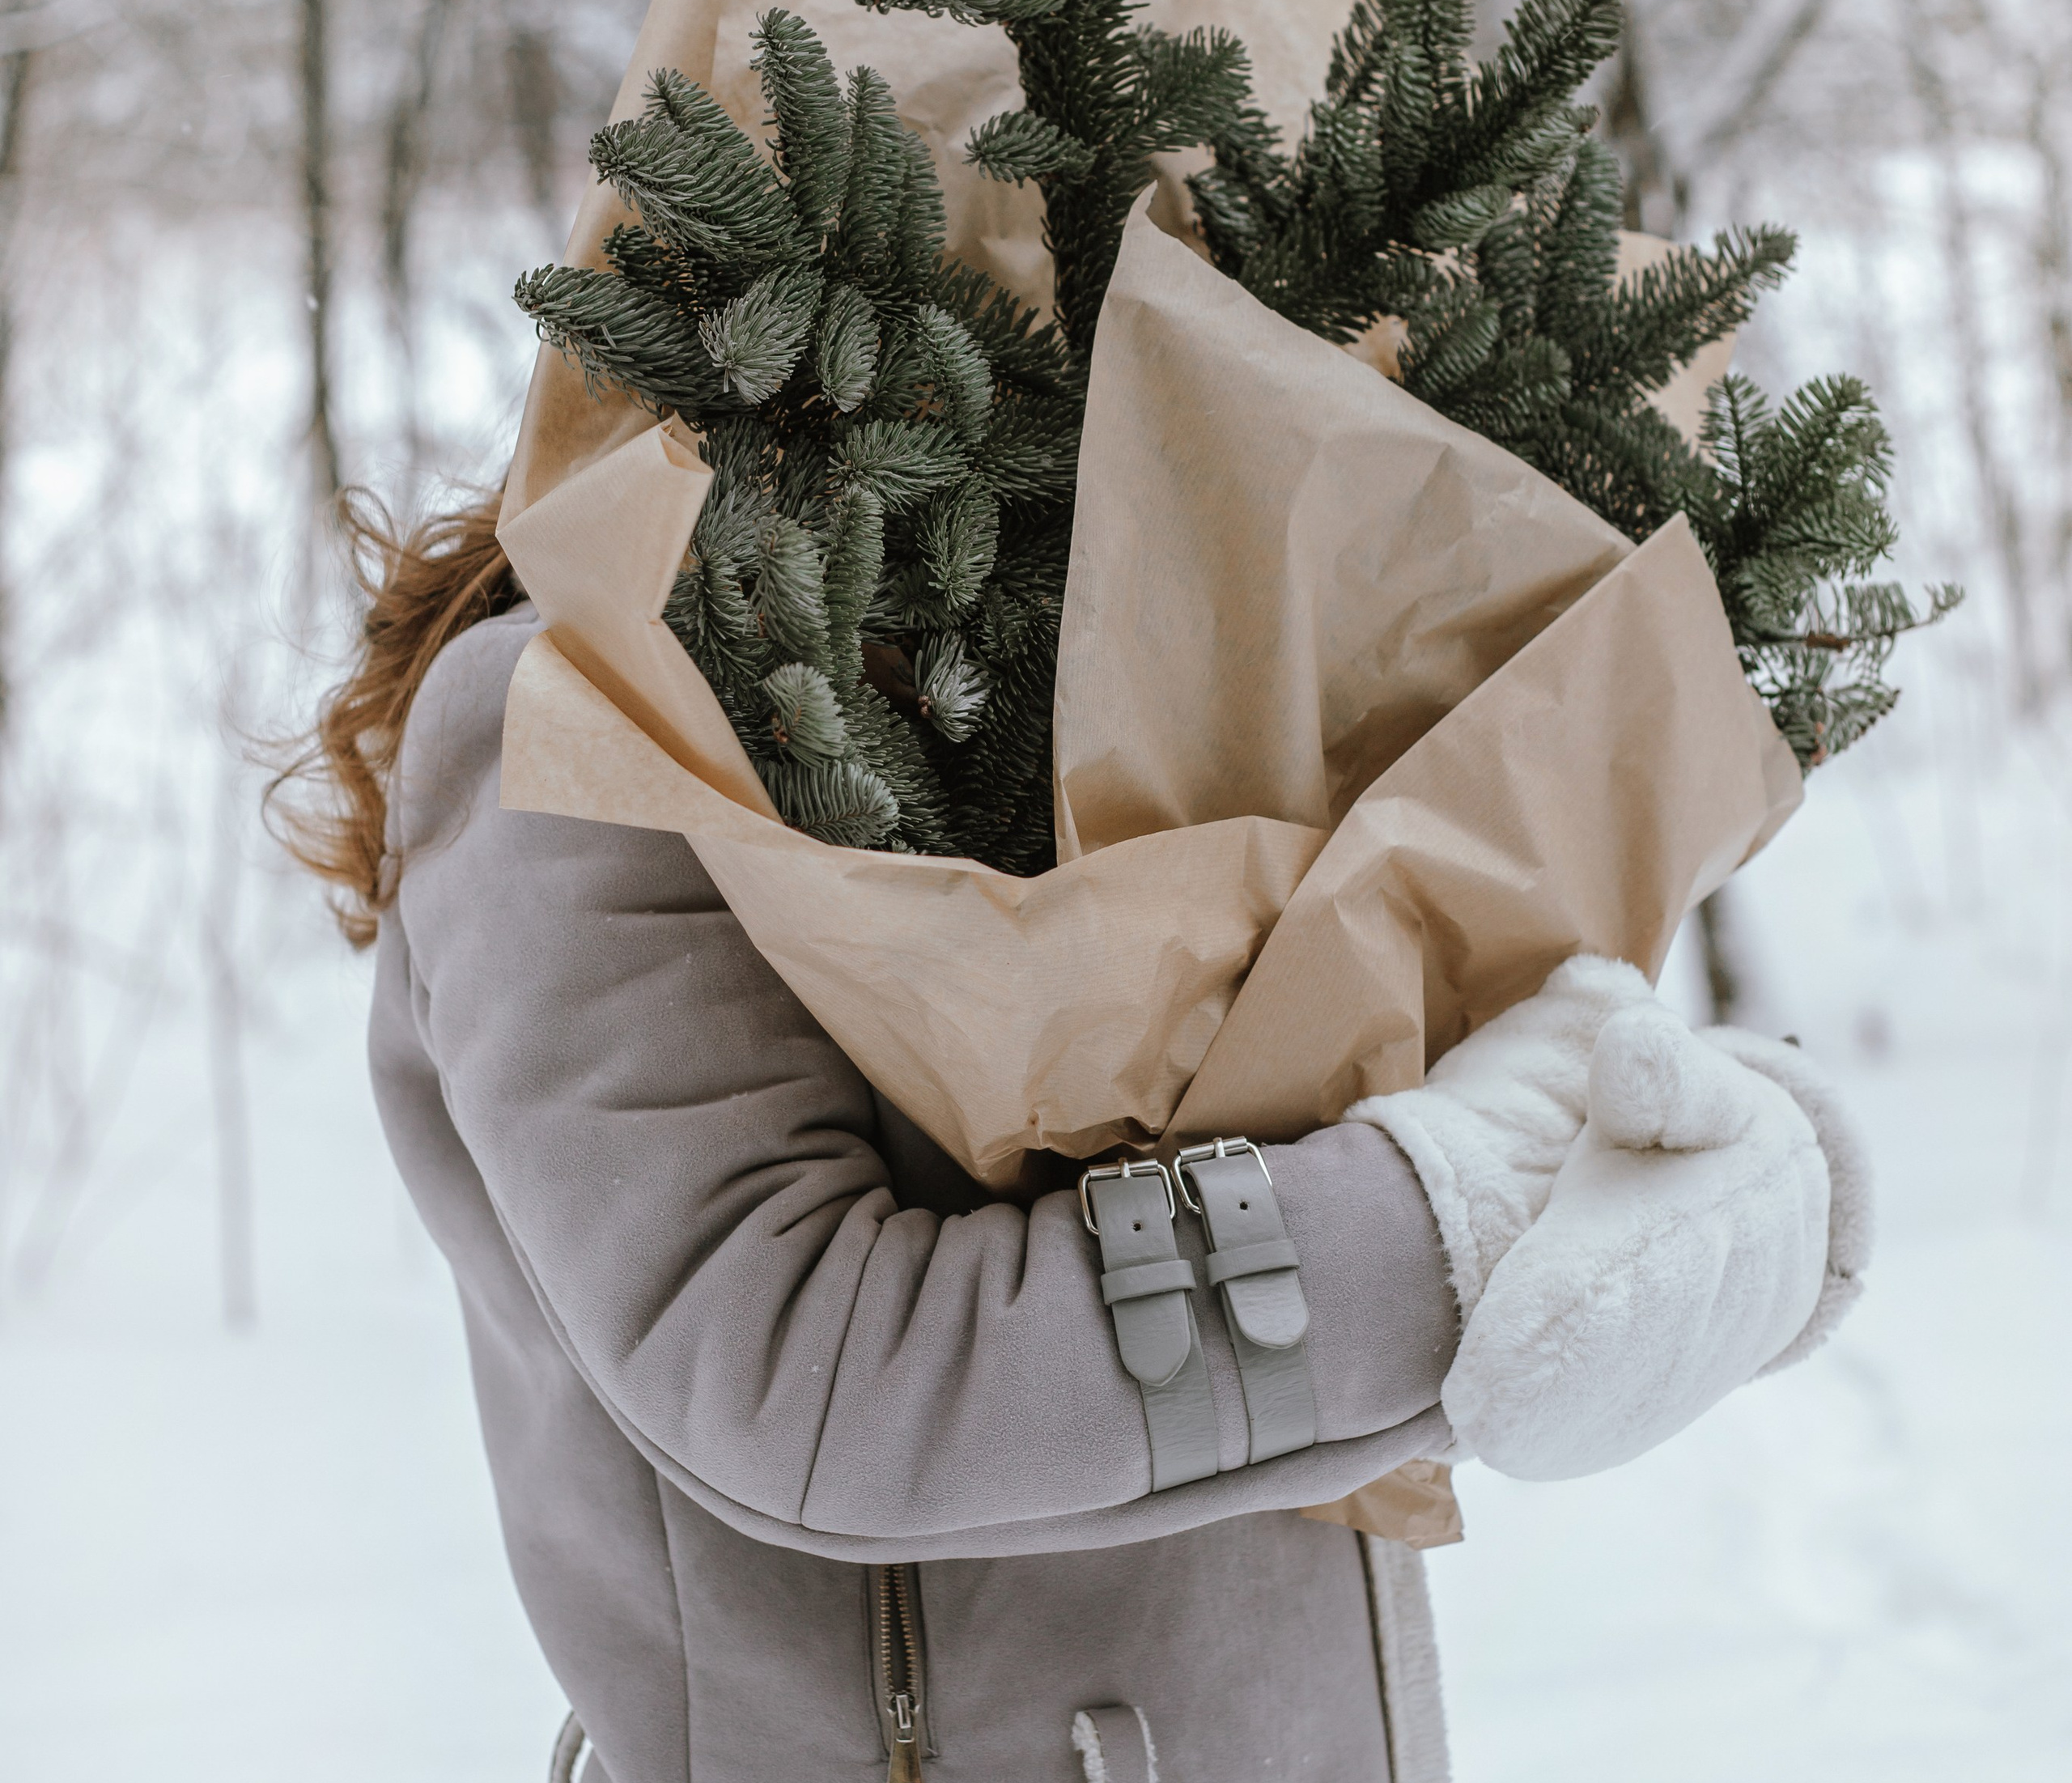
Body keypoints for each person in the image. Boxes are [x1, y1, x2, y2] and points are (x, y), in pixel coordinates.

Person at [278, 497, 1870, 1783]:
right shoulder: (572, 707)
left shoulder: (1141, 601)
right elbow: (799, 1365)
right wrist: (1442, 1214)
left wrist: (1663, 1148)